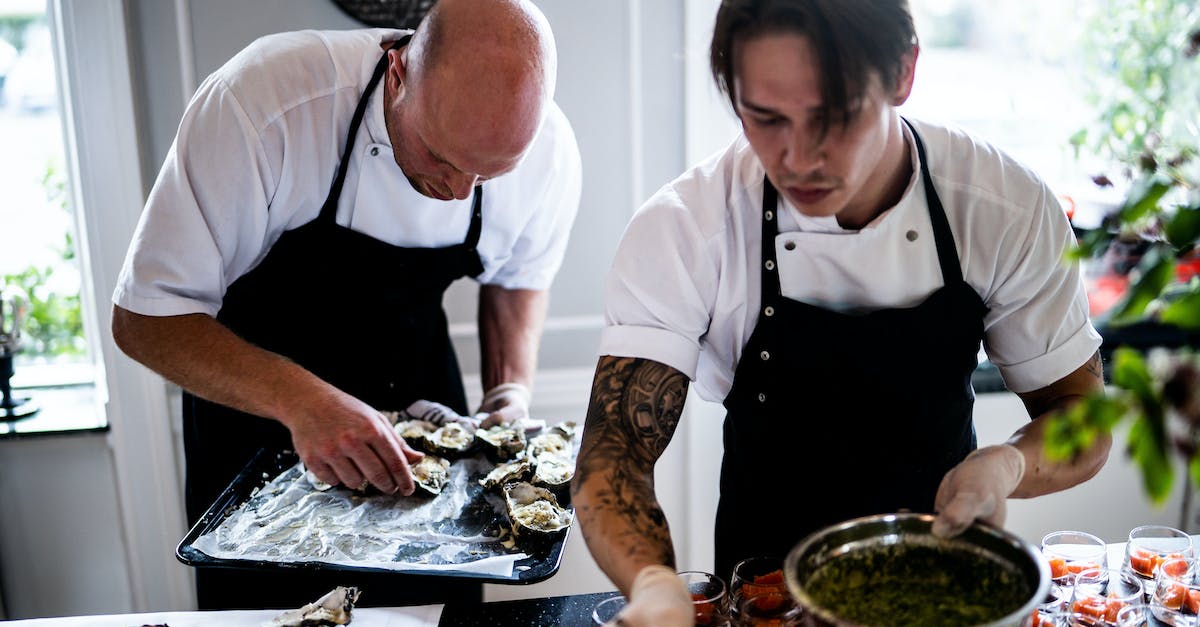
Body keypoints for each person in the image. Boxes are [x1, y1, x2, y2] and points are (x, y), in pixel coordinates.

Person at [571, 1, 1110, 624]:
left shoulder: (1002, 206)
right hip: (766, 596)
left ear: (904, 73)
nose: (799, 158)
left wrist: (1007, 462)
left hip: (939, 586)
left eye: (834, 117)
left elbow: (1083, 418)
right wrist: (654, 585)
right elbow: (614, 454)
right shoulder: (689, 228)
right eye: (764, 118)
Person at [111, 0, 581, 610]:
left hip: (420, 411)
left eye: (488, 175)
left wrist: (509, 391)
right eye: (441, 157)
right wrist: (302, 401)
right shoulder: (262, 105)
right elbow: (145, 318)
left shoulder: (549, 151)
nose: (458, 191)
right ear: (396, 73)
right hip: (259, 423)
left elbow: (518, 278)